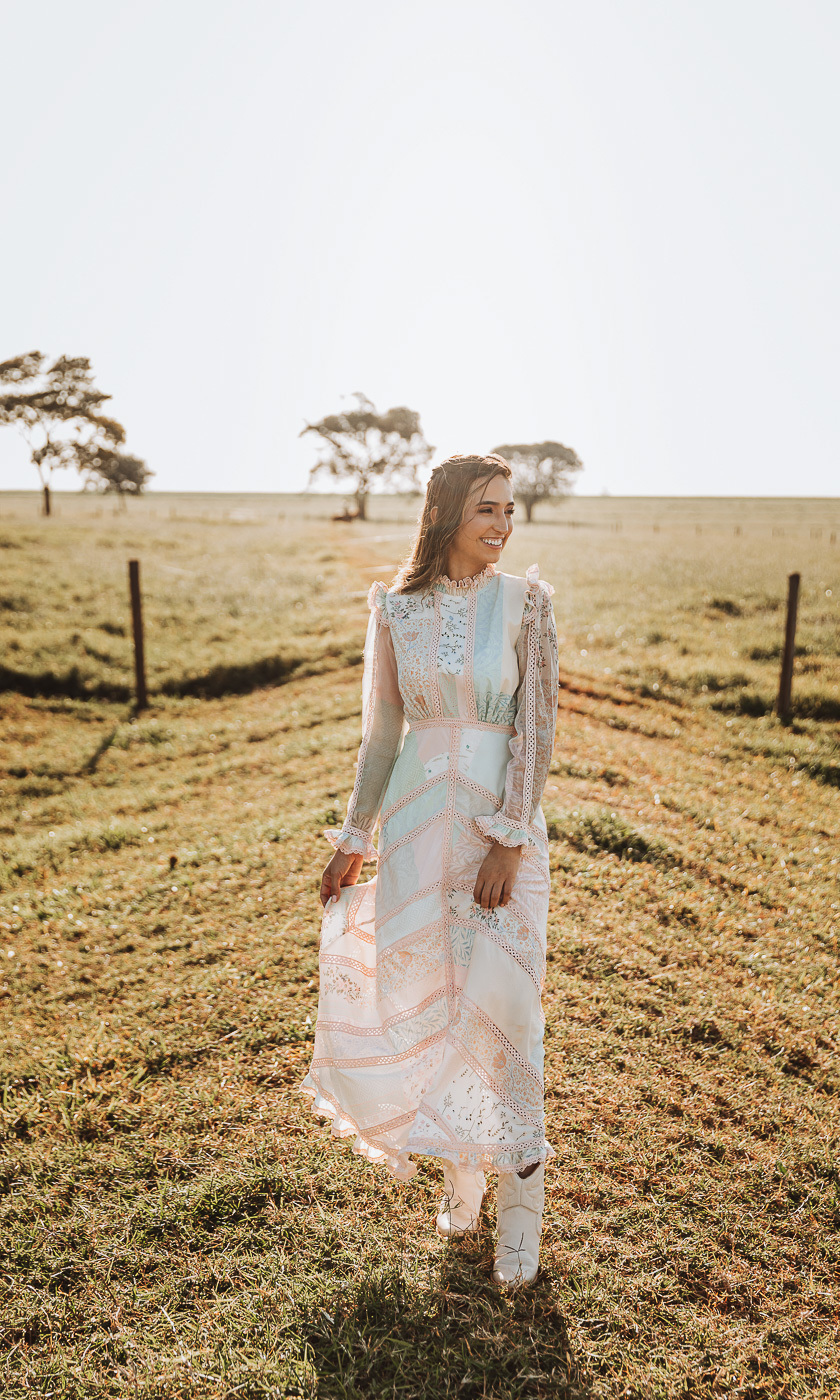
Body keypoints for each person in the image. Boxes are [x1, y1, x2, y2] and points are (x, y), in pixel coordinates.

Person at [300, 453, 559, 1289]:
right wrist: (352, 837)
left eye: (510, 510)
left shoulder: (527, 603)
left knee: (507, 1009)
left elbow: (537, 729)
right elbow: (380, 739)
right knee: (430, 1001)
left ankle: (523, 1215)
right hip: (415, 826)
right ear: (446, 512)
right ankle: (463, 1175)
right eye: (487, 508)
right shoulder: (394, 609)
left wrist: (510, 837)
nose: (502, 523)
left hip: (496, 828)